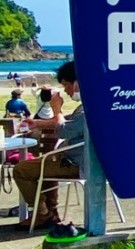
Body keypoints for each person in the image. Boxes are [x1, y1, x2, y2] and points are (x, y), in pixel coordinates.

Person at [12, 61, 85, 229]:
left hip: (77, 163)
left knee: (22, 170)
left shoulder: (89, 108)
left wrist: (57, 109)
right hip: (76, 159)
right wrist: (37, 123)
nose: (66, 91)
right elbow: (70, 125)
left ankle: (42, 214)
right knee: (43, 166)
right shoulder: (93, 104)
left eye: (66, 85)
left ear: (77, 83)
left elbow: (64, 130)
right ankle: (50, 212)